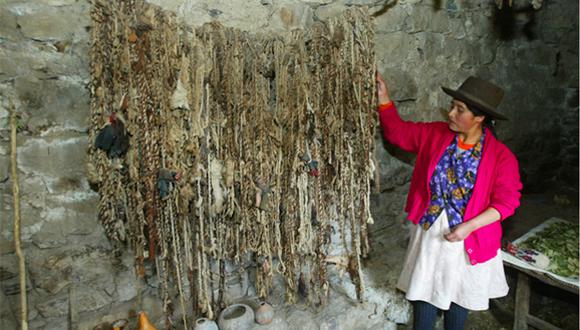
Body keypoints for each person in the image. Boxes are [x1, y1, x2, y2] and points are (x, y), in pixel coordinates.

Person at [375, 73, 522, 330]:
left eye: (459, 109)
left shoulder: (501, 156)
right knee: (424, 289)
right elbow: (398, 133)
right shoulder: (436, 134)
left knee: (458, 294)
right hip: (432, 230)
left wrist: (469, 226)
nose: (451, 113)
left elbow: (507, 202)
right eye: (452, 105)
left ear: (479, 118)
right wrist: (384, 99)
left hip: (469, 236)